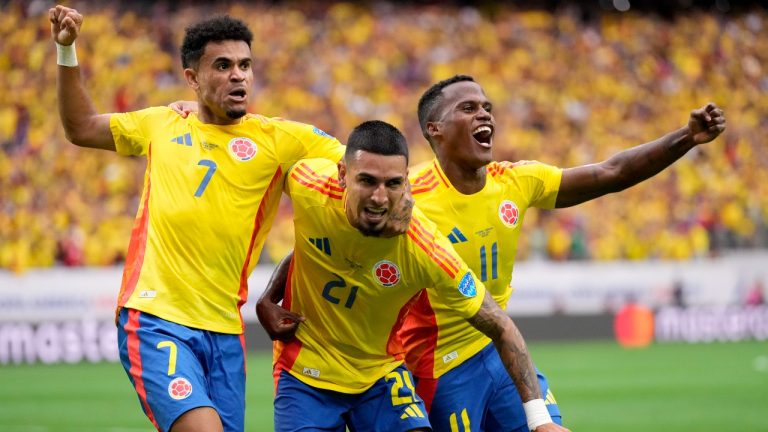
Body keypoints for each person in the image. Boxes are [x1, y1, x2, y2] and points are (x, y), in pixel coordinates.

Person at [260, 75, 726, 431]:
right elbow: (327, 242)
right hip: (438, 362)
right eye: (468, 108)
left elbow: (610, 172)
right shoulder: (405, 197)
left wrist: (685, 138)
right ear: (435, 129)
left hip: (496, 346)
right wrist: (272, 295)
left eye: (487, 107)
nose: (485, 115)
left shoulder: (515, 182)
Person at [50, 5, 410, 432]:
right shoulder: (162, 124)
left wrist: (402, 198)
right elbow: (80, 127)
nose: (238, 76)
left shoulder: (280, 140)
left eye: (245, 65)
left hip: (225, 331)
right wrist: (67, 50)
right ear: (192, 77)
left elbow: (361, 164)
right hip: (155, 317)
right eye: (222, 66)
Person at [263, 120, 568, 432]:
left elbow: (500, 325)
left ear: (406, 183)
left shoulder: (425, 248)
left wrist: (540, 420)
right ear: (342, 174)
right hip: (305, 372)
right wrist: (267, 297)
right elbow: (309, 243)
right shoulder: (307, 184)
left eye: (393, 184)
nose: (379, 197)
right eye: (367, 181)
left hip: (380, 374)